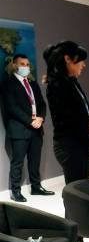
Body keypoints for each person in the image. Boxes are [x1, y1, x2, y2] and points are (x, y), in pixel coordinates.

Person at [43, 40, 89, 242]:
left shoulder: (71, 82)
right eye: (80, 60)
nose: (83, 65)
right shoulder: (58, 85)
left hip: (77, 144)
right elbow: (72, 121)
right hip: (69, 146)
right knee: (76, 195)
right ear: (67, 59)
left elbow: (84, 114)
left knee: (79, 194)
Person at [0, 53, 54, 202]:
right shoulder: (7, 84)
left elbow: (42, 104)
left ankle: (36, 187)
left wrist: (41, 118)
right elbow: (12, 107)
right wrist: (30, 121)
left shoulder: (33, 84)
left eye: (28, 65)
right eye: (22, 64)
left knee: (35, 160)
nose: (26, 67)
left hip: (37, 128)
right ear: (15, 66)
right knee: (17, 162)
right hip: (19, 129)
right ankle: (15, 191)